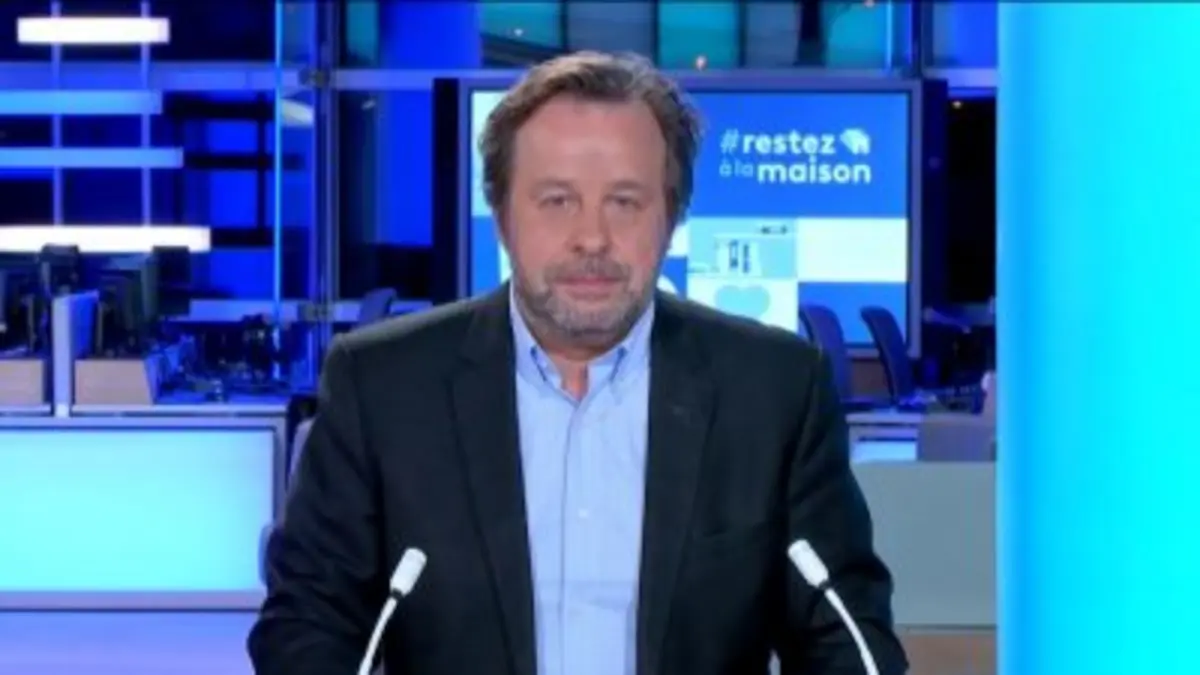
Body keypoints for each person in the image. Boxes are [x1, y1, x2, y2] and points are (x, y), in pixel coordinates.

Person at [249, 52, 906, 675]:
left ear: (672, 218)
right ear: (503, 217)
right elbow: (309, 624)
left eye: (625, 201)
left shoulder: (773, 391)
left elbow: (845, 638)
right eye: (557, 200)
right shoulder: (385, 386)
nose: (592, 237)